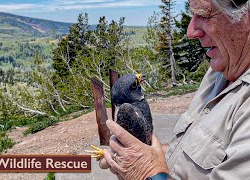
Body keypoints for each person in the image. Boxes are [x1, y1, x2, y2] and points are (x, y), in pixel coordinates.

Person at [99, 0, 250, 179]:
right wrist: (147, 154)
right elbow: (200, 152)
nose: (190, 31)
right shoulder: (219, 71)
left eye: (203, 14)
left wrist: (147, 172)